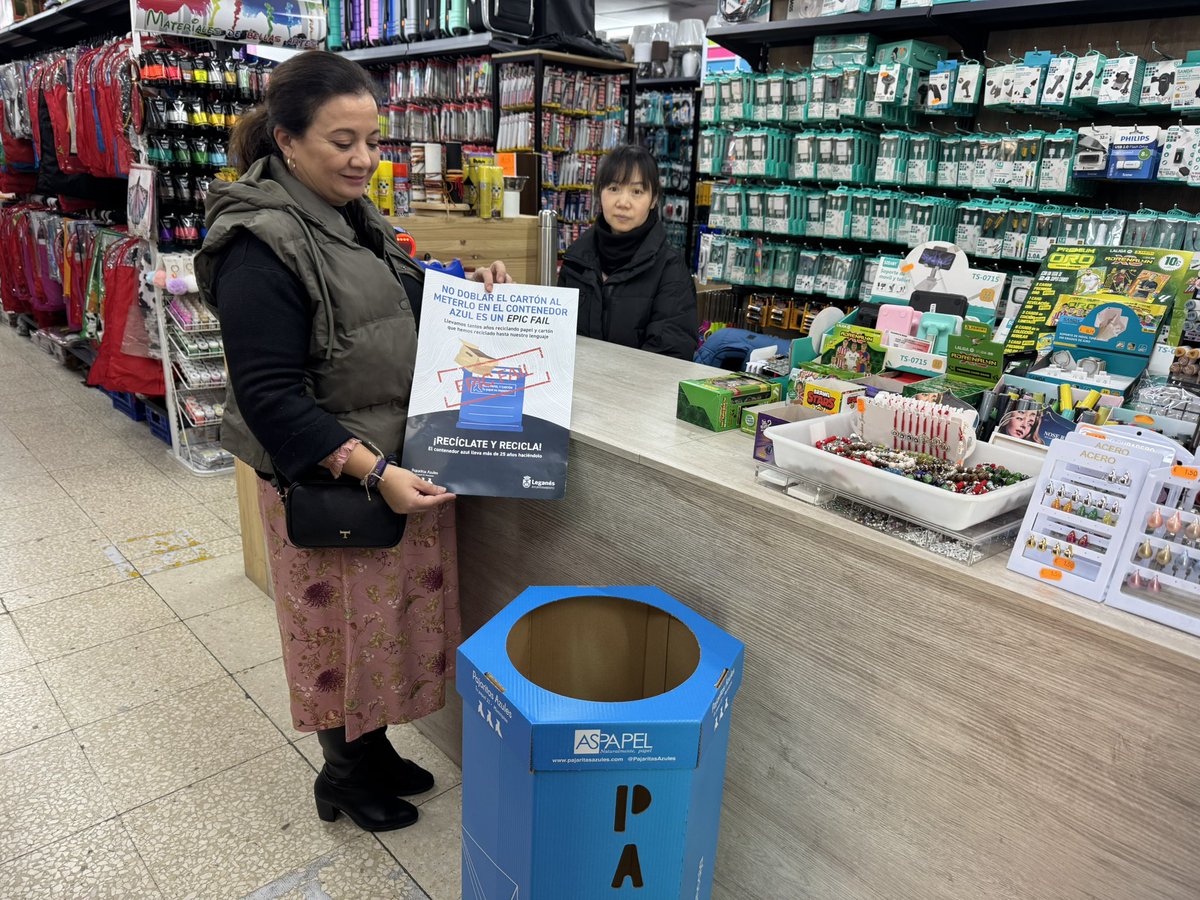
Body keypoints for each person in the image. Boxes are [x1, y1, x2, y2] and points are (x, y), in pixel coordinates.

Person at [195, 50, 511, 834]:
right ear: (287, 139)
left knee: (383, 629)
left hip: (380, 461)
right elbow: (269, 398)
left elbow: (389, 296)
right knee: (341, 636)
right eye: (343, 142)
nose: (365, 159)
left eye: (372, 141)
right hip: (334, 478)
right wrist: (374, 474)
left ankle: (370, 754)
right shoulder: (258, 244)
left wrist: (468, 295)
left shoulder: (347, 214)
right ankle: (341, 776)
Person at [557, 143, 698, 360]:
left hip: (636, 392)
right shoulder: (576, 261)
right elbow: (557, 338)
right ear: (599, 193)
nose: (623, 203)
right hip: (578, 391)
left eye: (637, 192)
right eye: (613, 188)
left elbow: (669, 357)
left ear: (653, 200)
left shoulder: (670, 271)